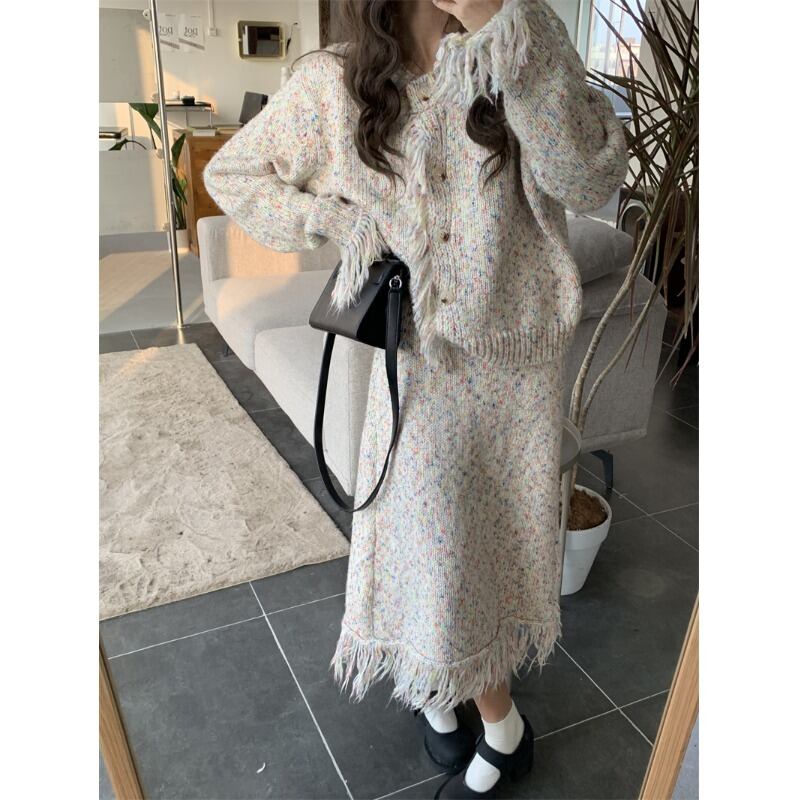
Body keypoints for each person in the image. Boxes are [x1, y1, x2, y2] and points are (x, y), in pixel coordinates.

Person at [204, 1, 628, 796]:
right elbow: (232, 174)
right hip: (417, 370)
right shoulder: (337, 82)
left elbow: (590, 176)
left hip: (514, 369)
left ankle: (500, 725)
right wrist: (336, 219)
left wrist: (501, 30)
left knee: (489, 550)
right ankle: (442, 692)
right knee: (422, 545)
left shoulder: (525, 37)